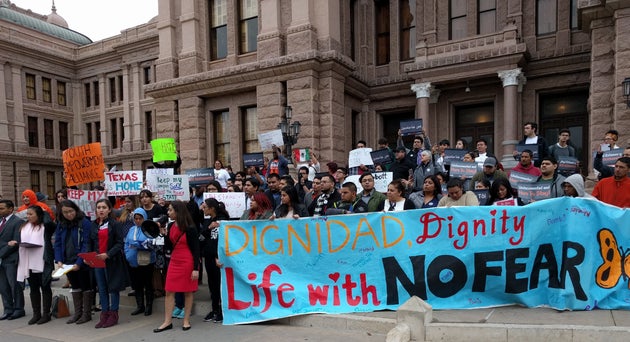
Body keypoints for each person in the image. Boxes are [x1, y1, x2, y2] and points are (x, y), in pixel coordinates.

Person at [154, 201, 200, 333]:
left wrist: (195, 268)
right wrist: (164, 234)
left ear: (178, 211)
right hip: (174, 261)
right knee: (169, 290)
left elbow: (196, 249)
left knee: (188, 291)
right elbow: (169, 246)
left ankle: (186, 320)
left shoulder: (190, 227)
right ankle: (167, 321)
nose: (168, 213)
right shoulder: (171, 225)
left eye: (170, 210)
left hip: (187, 261)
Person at [89, 198, 130, 329]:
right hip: (97, 261)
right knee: (101, 288)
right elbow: (91, 242)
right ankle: (104, 314)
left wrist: (108, 254)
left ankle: (113, 314)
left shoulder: (115, 224)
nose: (101, 210)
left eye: (103, 207)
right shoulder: (94, 224)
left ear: (109, 210)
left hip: (111, 260)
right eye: (99, 207)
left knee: (113, 288)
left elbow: (120, 243)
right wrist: (88, 256)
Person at [13, 205, 55, 324]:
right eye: (27, 214)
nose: (28, 216)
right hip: (28, 261)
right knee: (33, 288)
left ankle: (46, 313)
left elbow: (51, 224)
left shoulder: (45, 226)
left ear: (39, 215)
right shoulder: (25, 226)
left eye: (31, 214)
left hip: (42, 261)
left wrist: (44, 213)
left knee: (45, 287)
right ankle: (36, 313)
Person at [54, 200, 93, 324]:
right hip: (67, 261)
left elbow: (86, 244)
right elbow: (58, 243)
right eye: (65, 212)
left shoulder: (84, 223)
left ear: (76, 210)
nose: (68, 214)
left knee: (85, 286)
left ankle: (86, 314)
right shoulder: (61, 224)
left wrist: (79, 262)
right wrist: (59, 260)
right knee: (75, 286)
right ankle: (78, 313)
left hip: (81, 261)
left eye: (71, 211)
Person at [200, 198, 229, 323]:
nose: (203, 208)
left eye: (205, 206)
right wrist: (208, 229)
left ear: (212, 208)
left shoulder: (223, 220)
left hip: (219, 259)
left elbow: (222, 240)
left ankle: (223, 310)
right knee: (212, 285)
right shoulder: (209, 221)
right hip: (209, 258)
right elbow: (202, 236)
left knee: (219, 284)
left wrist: (219, 256)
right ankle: (214, 309)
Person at [124, 208, 156, 316]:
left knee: (147, 283)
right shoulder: (132, 229)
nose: (137, 220)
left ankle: (149, 306)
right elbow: (127, 242)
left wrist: (137, 244)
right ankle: (140, 306)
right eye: (136, 218)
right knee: (137, 284)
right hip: (133, 261)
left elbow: (150, 244)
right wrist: (127, 253)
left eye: (140, 218)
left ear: (144, 218)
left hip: (146, 261)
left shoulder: (149, 228)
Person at [0, 199, 26, 320]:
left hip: (11, 259)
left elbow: (15, 242)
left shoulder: (18, 222)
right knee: (3, 286)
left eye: (2, 208)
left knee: (14, 285)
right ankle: (8, 309)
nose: (0, 211)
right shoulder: (0, 221)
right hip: (1, 259)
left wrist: (2, 253)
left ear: (10, 209)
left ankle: (19, 309)